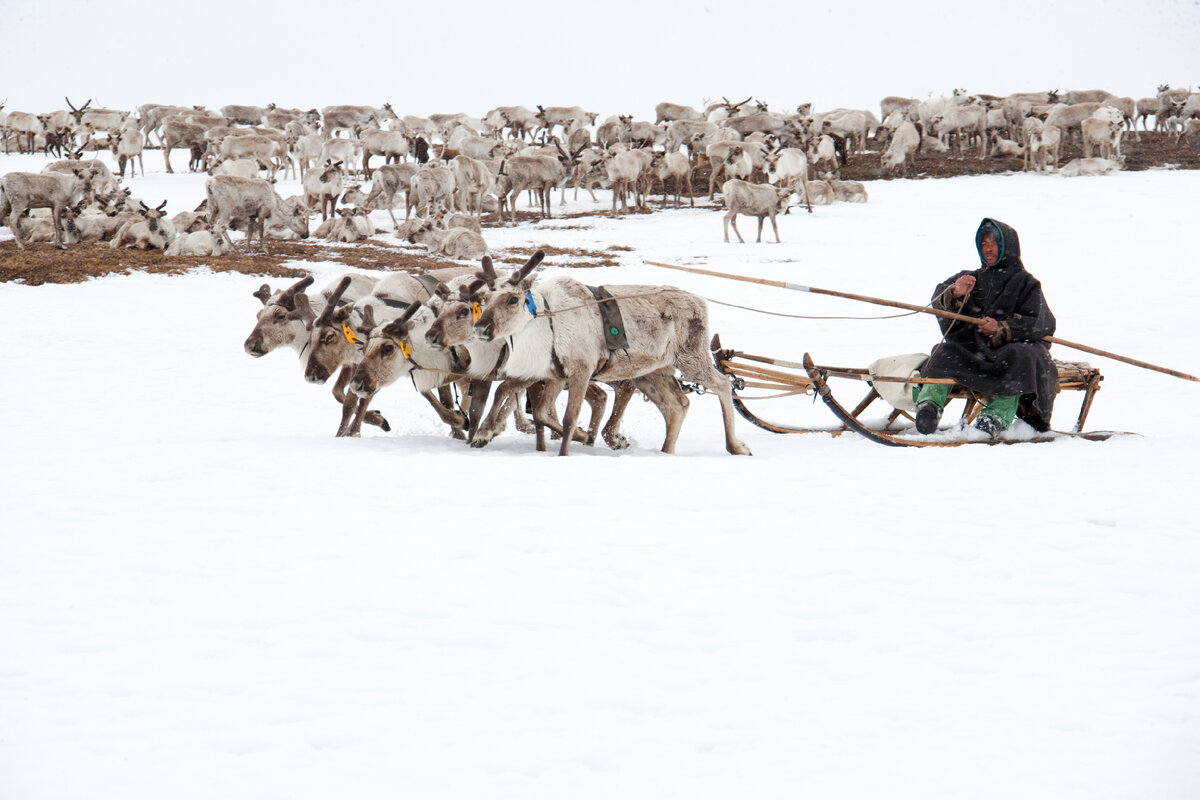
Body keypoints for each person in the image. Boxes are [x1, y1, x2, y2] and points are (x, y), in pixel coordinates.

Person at [914, 218, 1058, 438]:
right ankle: (929, 407)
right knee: (945, 351)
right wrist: (956, 293)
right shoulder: (970, 278)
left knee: (1022, 357)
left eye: (994, 243)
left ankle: (995, 417)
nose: (988, 248)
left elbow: (1041, 322)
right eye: (983, 244)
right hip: (975, 350)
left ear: (1007, 246)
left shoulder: (1026, 282)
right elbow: (940, 300)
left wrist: (1003, 327)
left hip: (1008, 352)